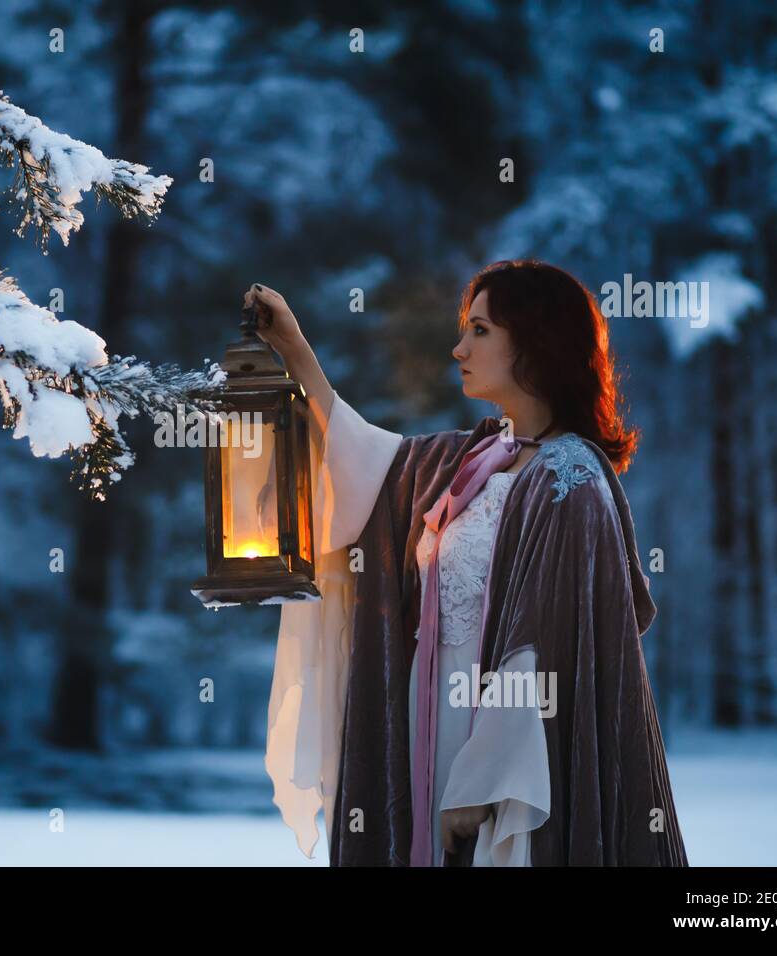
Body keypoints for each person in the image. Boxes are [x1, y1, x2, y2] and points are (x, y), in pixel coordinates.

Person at [253, 260, 688, 866]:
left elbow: (539, 645)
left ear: (537, 339)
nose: (459, 347)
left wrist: (482, 785)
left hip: (509, 764)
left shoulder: (570, 478)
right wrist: (294, 350)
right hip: (430, 726)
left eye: (480, 330)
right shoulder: (469, 462)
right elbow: (363, 462)